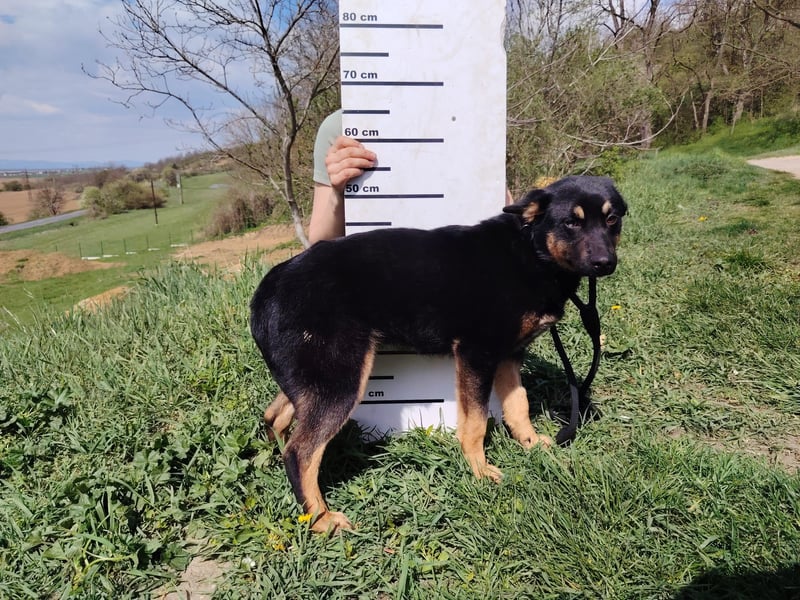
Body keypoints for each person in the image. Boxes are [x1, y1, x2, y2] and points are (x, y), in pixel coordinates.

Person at [307, 109, 512, 244]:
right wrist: (338, 194)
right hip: (371, 284)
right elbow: (319, 242)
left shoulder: (472, 113)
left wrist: (485, 168)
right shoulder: (339, 126)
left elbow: (508, 219)